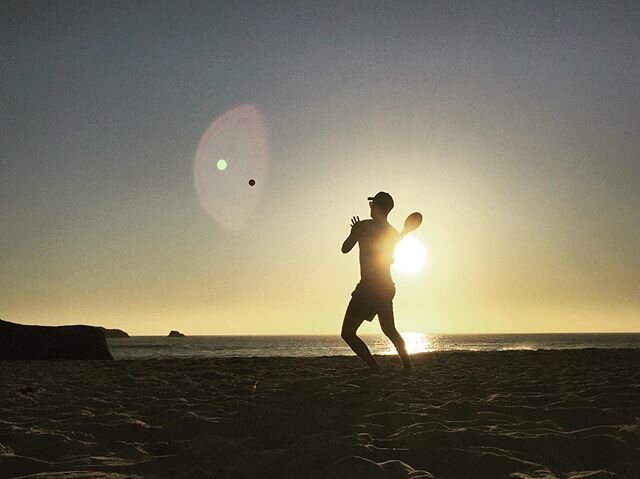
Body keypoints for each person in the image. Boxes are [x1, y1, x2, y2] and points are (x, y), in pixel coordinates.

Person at [340, 191, 411, 372]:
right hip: (386, 287)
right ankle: (407, 367)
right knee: (390, 330)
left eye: (372, 204)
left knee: (348, 333)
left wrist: (353, 232)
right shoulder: (393, 233)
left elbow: (345, 249)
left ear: (377, 207)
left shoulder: (363, 226)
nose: (369, 206)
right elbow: (391, 260)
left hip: (368, 288)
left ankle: (375, 369)